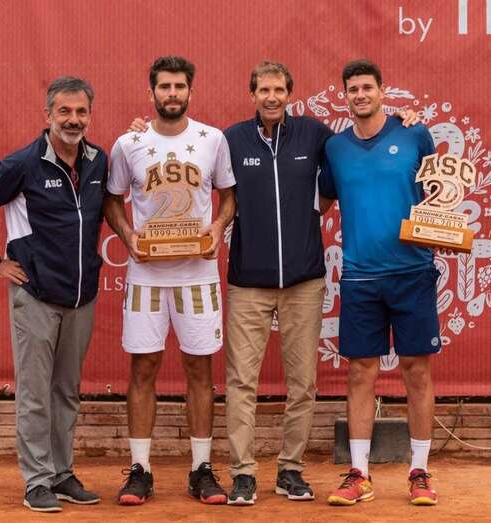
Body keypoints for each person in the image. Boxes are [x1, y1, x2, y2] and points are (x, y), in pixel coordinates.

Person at [127, 62, 418, 506]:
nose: (271, 97)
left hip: (304, 280)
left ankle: (290, 470)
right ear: (252, 94)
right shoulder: (230, 140)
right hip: (248, 281)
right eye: (263, 89)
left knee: (302, 384)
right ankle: (243, 473)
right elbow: (195, 167)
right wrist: (141, 133)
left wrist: (402, 121)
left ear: (289, 93)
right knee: (242, 383)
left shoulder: (315, 135)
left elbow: (361, 143)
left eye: (279, 89)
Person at [0, 77, 107, 512]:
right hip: (37, 296)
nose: (73, 120)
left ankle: (61, 474)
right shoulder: (23, 164)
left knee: (66, 392)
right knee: (35, 392)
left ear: (89, 116)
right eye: (64, 111)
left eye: (81, 112)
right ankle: (37, 479)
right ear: (48, 115)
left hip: (82, 297)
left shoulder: (98, 161)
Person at [103, 56, 236, 506]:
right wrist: (127, 235)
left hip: (197, 275)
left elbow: (228, 196)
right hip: (146, 276)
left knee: (200, 371)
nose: (172, 94)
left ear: (190, 92)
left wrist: (217, 229)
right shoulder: (129, 142)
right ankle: (140, 469)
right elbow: (112, 200)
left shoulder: (212, 140)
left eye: (180, 86)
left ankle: (201, 470)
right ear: (152, 93)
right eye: (164, 87)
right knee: (143, 369)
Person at [319, 60, 441, 507]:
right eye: (352, 89)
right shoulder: (334, 148)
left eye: (367, 87)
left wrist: (443, 233)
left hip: (412, 272)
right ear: (344, 96)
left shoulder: (415, 134)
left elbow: (439, 196)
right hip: (359, 277)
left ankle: (421, 472)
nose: (360, 95)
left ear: (383, 91)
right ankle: (359, 474)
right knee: (359, 373)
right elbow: (322, 199)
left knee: (417, 372)